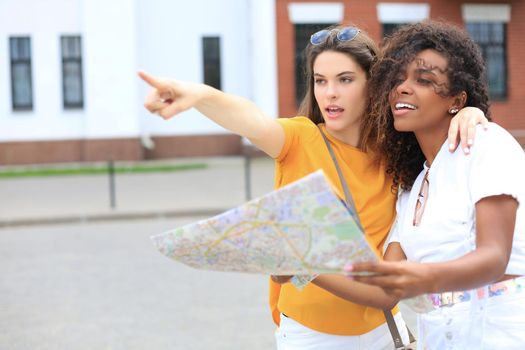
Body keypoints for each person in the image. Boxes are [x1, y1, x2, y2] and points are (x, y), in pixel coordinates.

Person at [138, 24, 487, 349]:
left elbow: (445, 133)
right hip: (311, 335)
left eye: (345, 79)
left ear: (374, 83)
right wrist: (199, 95)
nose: (330, 94)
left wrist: (470, 113)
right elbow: (251, 120)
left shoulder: (396, 149)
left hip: (383, 329)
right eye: (321, 81)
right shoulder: (299, 138)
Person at [309, 21, 525, 349]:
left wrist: (423, 278)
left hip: (499, 334)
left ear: (457, 99)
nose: (403, 88)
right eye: (397, 79)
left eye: (424, 80)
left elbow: (494, 256)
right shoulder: (412, 187)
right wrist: (304, 267)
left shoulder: (484, 144)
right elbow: (383, 291)